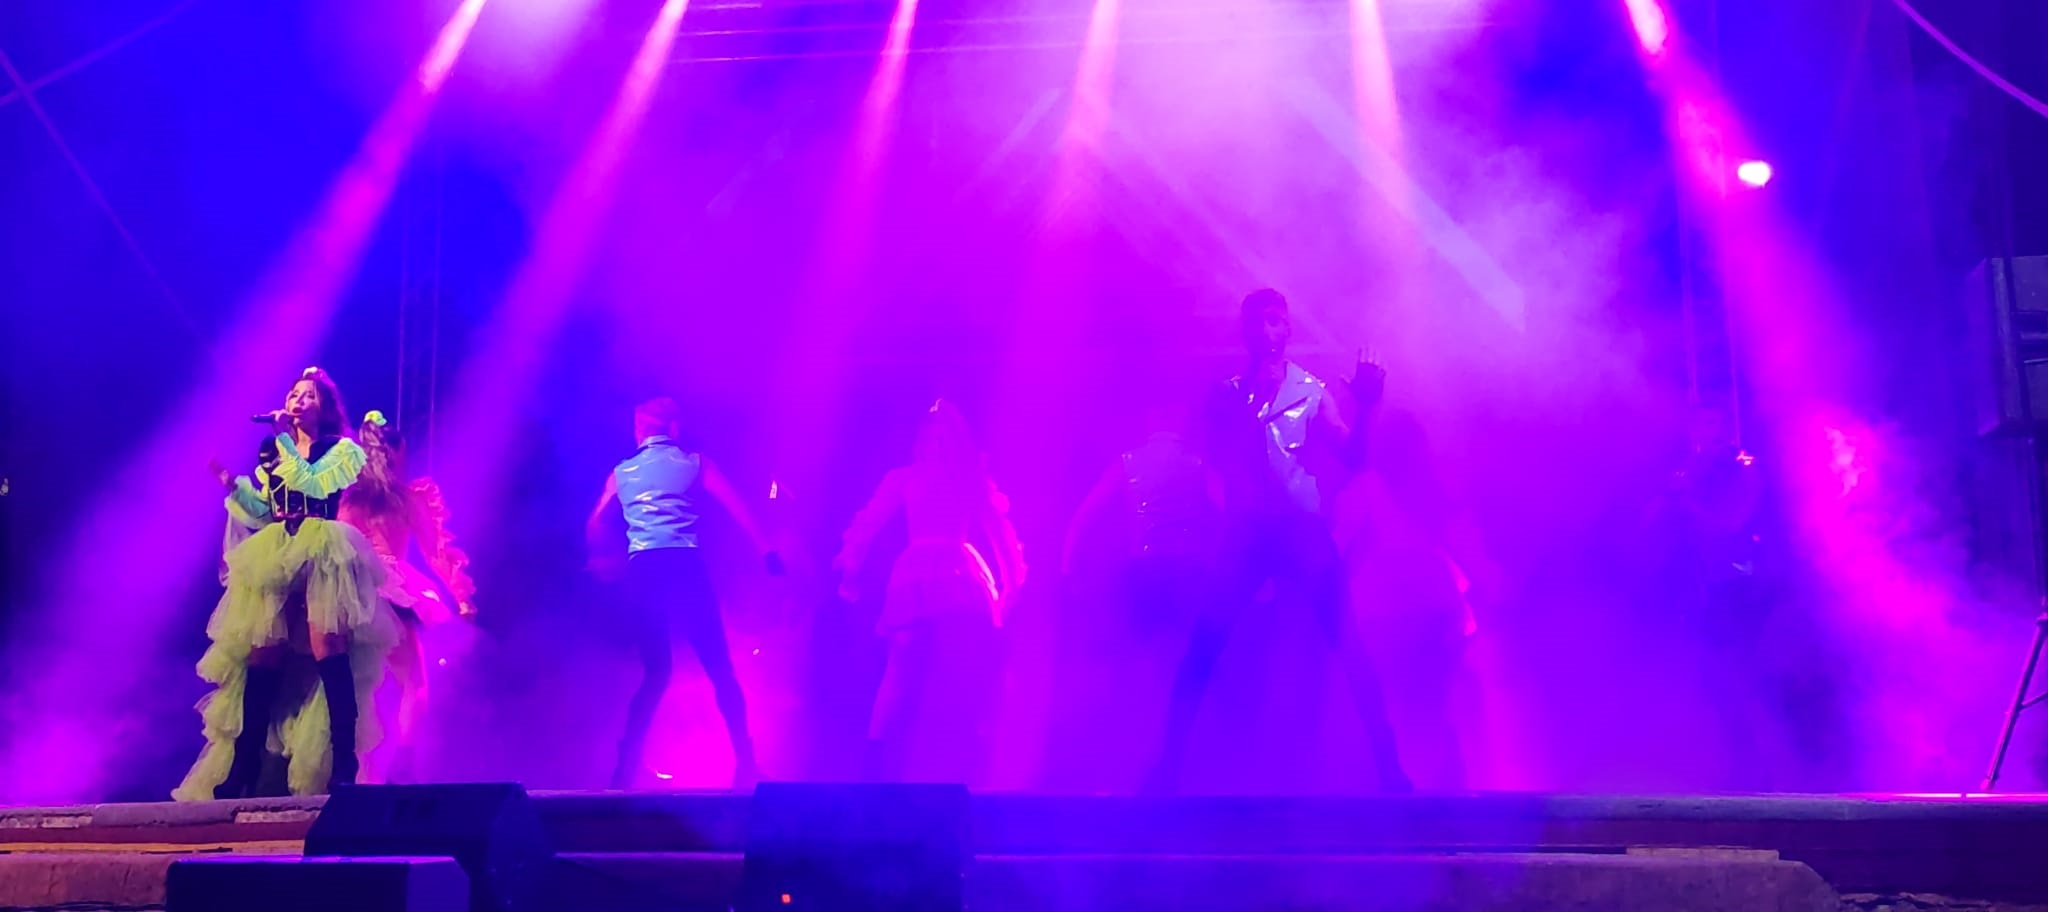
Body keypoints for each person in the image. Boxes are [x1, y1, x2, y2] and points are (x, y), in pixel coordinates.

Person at [1147, 288, 1412, 793]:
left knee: (1350, 644)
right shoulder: (1225, 395)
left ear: (1287, 330)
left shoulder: (1310, 391)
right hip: (1247, 533)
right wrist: (1221, 519)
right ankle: (1166, 770)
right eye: (1256, 321)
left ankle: (1391, 771)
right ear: (1244, 332)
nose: (1265, 330)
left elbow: (1354, 459)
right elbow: (1206, 466)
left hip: (1300, 530)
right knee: (1204, 644)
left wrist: (1367, 408)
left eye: (1273, 320)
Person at [177, 367, 401, 800]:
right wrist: (229, 483)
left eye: (308, 395)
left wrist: (283, 439)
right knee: (263, 653)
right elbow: (266, 508)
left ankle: (343, 763)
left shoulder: (343, 450)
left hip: (324, 545)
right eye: (294, 393)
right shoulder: (272, 450)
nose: (298, 400)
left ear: (325, 407)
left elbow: (312, 483)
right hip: (281, 544)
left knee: (328, 647)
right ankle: (244, 764)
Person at [587, 397, 781, 790]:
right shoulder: (696, 464)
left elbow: (594, 523)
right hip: (684, 566)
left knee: (656, 672)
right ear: (674, 428)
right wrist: (766, 550)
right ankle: (746, 764)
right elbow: (738, 508)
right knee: (720, 669)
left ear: (639, 431)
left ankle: (624, 770)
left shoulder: (621, 473)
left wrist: (603, 557)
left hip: (643, 571)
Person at [835, 399, 1026, 785]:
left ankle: (915, 754)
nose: (938, 442)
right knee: (912, 665)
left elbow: (1000, 536)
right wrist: (850, 566)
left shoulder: (955, 480)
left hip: (943, 576)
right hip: (943, 577)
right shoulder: (923, 479)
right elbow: (869, 523)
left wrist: (1011, 584)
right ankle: (886, 756)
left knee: (930, 666)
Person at [339, 410, 478, 782]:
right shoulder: (406, 498)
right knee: (414, 684)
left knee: (361, 687)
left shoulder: (352, 498)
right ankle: (401, 762)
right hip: (393, 589)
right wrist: (461, 595)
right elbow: (436, 552)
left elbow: (340, 548)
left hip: (355, 591)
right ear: (397, 453)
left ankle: (361, 769)